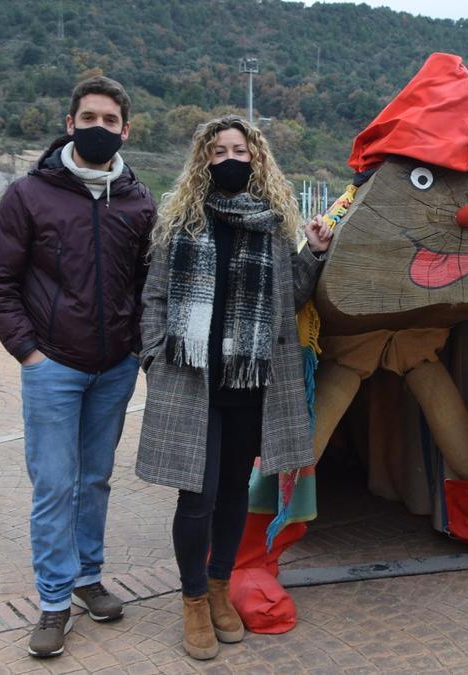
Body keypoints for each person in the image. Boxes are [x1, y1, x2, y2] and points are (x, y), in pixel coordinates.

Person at [134, 115, 332, 660]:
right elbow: (153, 298)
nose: (228, 160)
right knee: (194, 497)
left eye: (238, 151)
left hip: (249, 383)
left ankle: (221, 588)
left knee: (230, 495)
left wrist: (312, 253)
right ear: (203, 160)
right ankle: (194, 600)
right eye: (218, 151)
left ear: (256, 158)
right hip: (192, 381)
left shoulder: (270, 224)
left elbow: (288, 298)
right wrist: (154, 357)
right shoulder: (180, 223)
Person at [0, 76, 156, 657]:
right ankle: (54, 602)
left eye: (110, 120)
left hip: (114, 368)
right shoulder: (31, 195)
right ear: (70, 122)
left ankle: (86, 578)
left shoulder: (139, 200)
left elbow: (149, 285)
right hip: (52, 366)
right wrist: (29, 352)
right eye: (89, 117)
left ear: (125, 130)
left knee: (95, 478)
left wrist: (133, 347)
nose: (98, 127)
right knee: (54, 485)